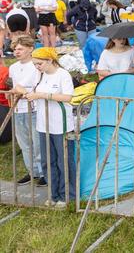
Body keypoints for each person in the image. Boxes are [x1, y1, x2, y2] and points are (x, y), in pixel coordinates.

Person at [24, 47, 75, 207]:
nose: (36, 67)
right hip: (43, 124)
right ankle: (53, 194)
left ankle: (67, 195)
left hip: (61, 125)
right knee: (47, 161)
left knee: (64, 161)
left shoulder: (63, 75)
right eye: (34, 64)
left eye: (39, 63)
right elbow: (28, 88)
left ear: (50, 60)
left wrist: (42, 95)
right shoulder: (39, 74)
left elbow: (68, 97)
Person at [8, 36, 45, 186]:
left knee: (37, 143)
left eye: (20, 48)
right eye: (15, 49)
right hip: (18, 108)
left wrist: (18, 90)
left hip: (33, 107)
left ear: (30, 49)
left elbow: (23, 86)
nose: (17, 51)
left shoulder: (35, 65)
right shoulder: (13, 67)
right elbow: (16, 86)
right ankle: (32, 171)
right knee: (24, 143)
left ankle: (43, 172)